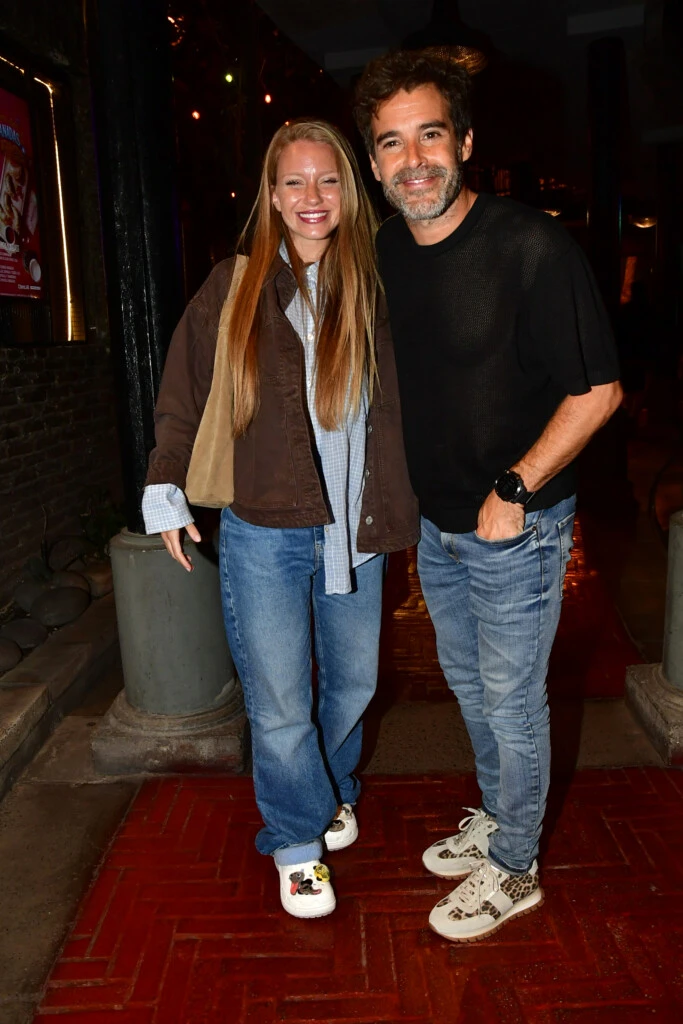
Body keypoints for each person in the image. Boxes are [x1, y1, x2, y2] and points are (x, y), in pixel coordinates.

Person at [354, 51, 622, 942]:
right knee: (471, 686)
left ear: (463, 141)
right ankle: (501, 821)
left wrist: (515, 488)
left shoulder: (530, 246)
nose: (413, 159)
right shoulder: (386, 250)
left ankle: (516, 868)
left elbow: (597, 391)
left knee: (511, 697)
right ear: (375, 162)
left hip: (517, 526)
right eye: (391, 144)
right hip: (438, 524)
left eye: (429, 134)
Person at [141, 119, 419, 919]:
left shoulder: (375, 279)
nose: (310, 197)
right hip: (265, 525)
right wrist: (166, 485)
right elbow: (183, 390)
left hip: (355, 532)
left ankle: (328, 788)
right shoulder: (237, 282)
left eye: (326, 180)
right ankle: (295, 841)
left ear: (348, 190)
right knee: (278, 700)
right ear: (269, 194)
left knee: (356, 682)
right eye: (293, 181)